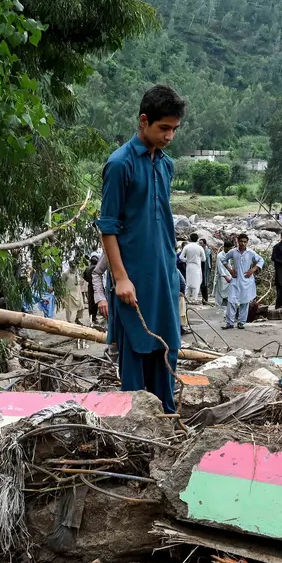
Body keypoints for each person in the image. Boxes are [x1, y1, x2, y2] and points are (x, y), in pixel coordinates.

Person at [96, 84, 186, 414]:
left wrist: (173, 272)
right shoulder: (120, 165)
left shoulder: (166, 165)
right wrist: (120, 278)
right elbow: (108, 226)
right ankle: (136, 432)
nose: (169, 137)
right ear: (144, 121)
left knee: (166, 351)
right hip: (131, 279)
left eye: (174, 129)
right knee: (135, 357)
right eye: (164, 128)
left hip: (163, 277)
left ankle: (167, 422)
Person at [221, 233, 264, 329]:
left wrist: (253, 270)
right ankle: (230, 323)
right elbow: (224, 260)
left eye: (245, 242)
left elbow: (261, 260)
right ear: (237, 241)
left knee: (244, 302)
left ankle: (241, 322)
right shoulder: (233, 252)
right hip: (235, 279)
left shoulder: (251, 253)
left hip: (246, 280)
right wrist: (230, 270)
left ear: (247, 242)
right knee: (231, 300)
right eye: (241, 241)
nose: (243, 243)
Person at [180, 232, 206, 303]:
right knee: (196, 283)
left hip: (189, 266)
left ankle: (187, 299)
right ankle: (194, 299)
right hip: (197, 267)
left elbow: (181, 257)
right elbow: (204, 259)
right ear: (197, 239)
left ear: (190, 239)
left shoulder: (186, 247)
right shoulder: (200, 248)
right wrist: (197, 259)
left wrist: (187, 260)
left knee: (188, 283)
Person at [214, 239, 232, 307]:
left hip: (228, 276)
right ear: (226, 247)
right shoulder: (220, 256)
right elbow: (220, 267)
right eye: (230, 248)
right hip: (222, 277)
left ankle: (226, 307)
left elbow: (229, 266)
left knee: (227, 294)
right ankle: (217, 306)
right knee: (219, 293)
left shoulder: (228, 255)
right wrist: (225, 277)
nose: (230, 250)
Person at [84, 256, 100, 324]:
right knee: (95, 302)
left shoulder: (87, 268)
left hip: (90, 286)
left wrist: (88, 281)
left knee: (91, 302)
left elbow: (83, 276)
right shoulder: (96, 268)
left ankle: (91, 317)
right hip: (96, 286)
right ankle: (94, 317)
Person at [198, 238, 212, 305]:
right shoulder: (199, 251)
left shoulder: (208, 252)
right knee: (201, 284)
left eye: (201, 243)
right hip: (199, 268)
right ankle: (203, 299)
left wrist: (210, 269)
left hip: (206, 269)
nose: (200, 244)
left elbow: (210, 261)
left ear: (204, 244)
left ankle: (205, 299)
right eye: (199, 243)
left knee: (205, 284)